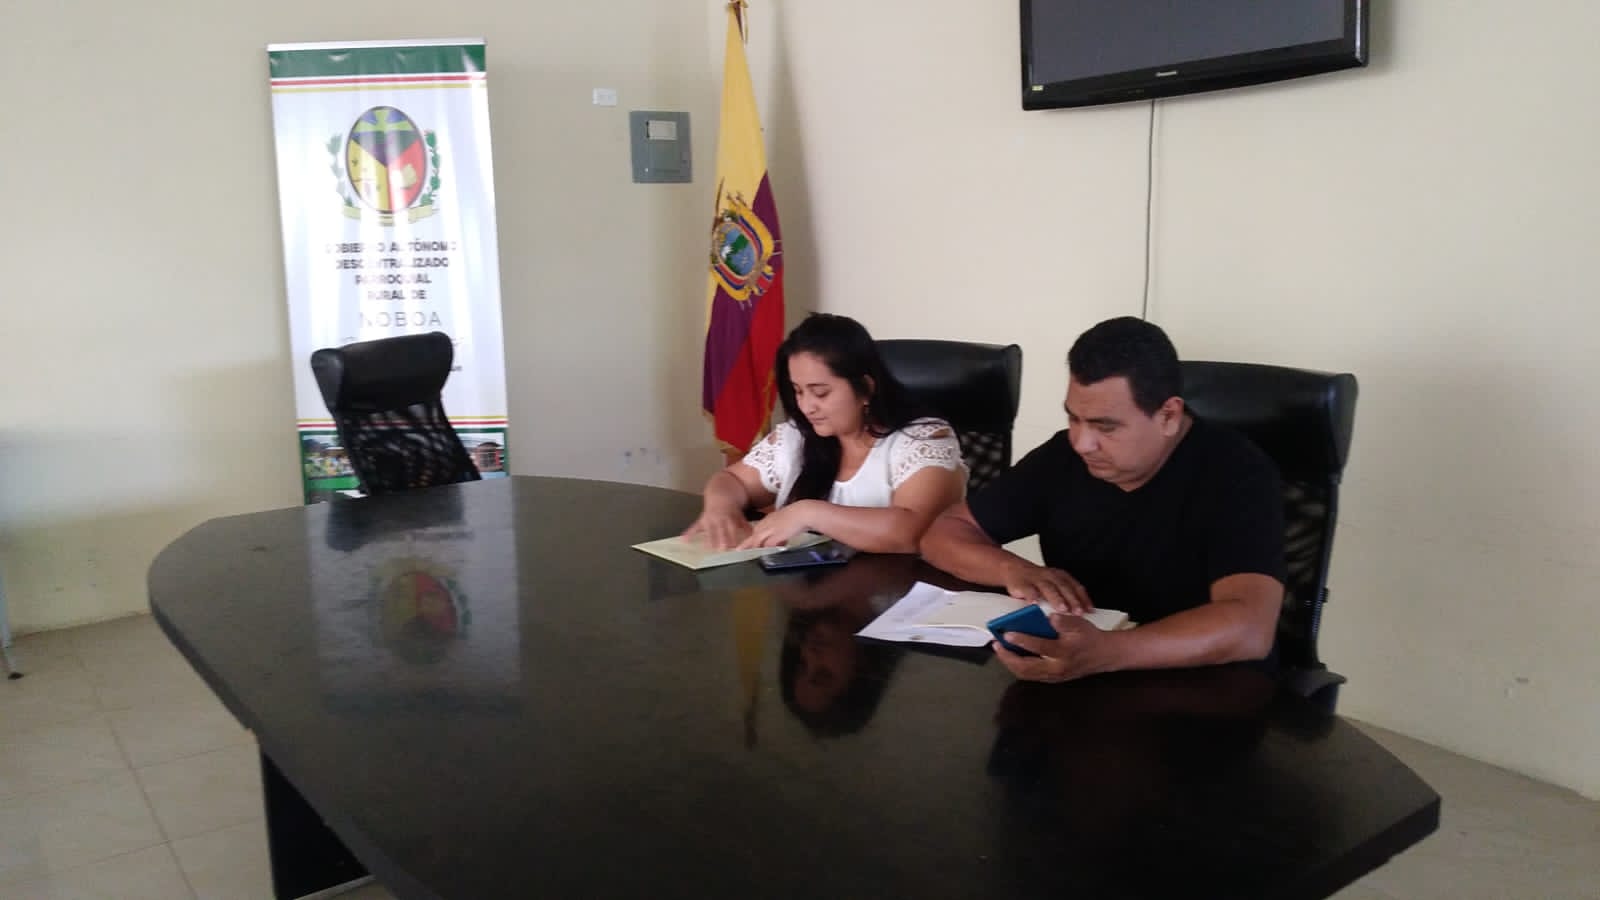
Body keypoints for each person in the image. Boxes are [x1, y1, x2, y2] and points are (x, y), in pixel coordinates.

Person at [919, 316, 1286, 684]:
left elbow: (1250, 627)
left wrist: (1109, 651)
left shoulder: (1238, 474)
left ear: (1169, 415)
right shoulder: (1062, 458)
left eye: (1104, 426)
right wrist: (1013, 570)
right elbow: (944, 533)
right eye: (1074, 419)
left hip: (1203, 686)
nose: (1082, 443)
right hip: (1086, 673)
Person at [684, 313, 967, 553]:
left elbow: (910, 532)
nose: (807, 406)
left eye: (820, 392)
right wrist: (720, 507)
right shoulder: (796, 437)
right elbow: (732, 480)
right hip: (808, 591)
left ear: (865, 388)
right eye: (798, 391)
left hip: (899, 594)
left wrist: (808, 512)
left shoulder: (923, 441)